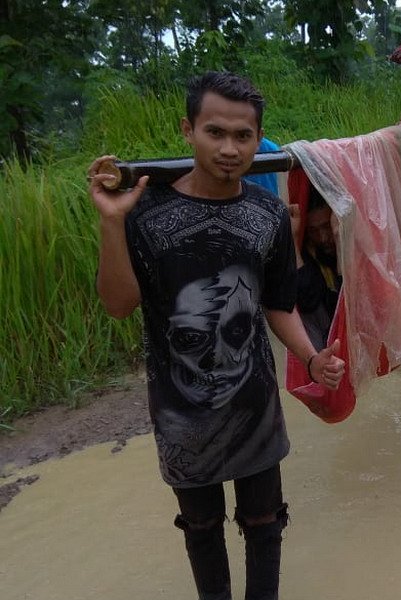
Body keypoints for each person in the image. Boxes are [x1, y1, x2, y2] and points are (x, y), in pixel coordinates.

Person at [87, 70, 345, 600]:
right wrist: (113, 224)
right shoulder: (147, 214)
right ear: (189, 130)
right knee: (202, 532)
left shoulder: (268, 213)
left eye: (242, 136)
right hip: (182, 416)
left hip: (255, 408)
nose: (229, 148)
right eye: (215, 132)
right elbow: (118, 305)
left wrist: (312, 357)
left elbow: (276, 306)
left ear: (258, 140)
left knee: (265, 523)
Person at [288, 182, 342, 352]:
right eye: (313, 231)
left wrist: (340, 240)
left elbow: (349, 300)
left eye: (326, 226)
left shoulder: (346, 240)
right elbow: (307, 301)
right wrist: (293, 242)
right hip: (324, 341)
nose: (323, 237)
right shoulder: (309, 250)